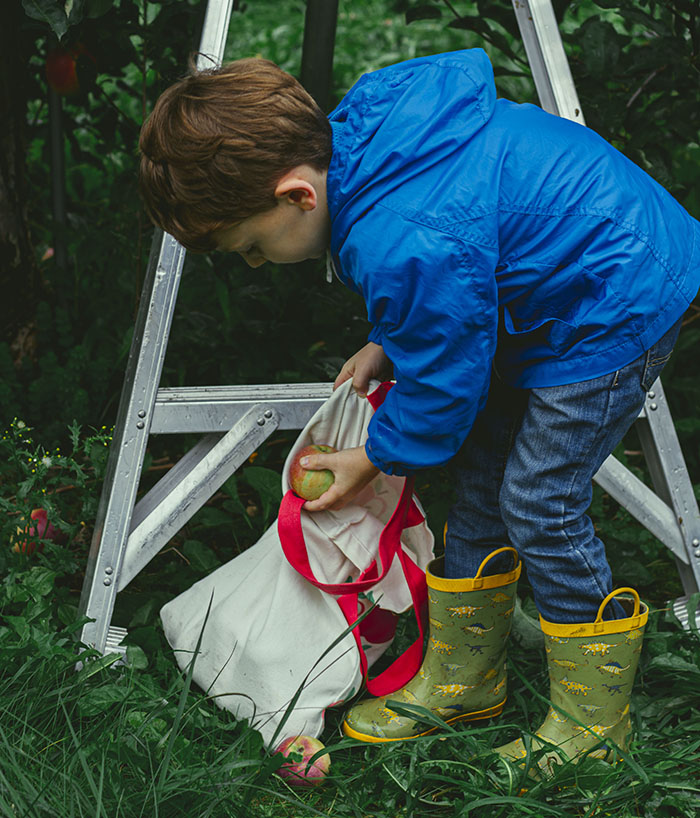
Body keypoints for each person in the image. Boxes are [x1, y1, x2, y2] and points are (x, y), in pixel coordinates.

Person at [139, 49, 700, 772]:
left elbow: (444, 381)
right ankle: (466, 677)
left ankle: (594, 724)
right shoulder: (369, 153)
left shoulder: (398, 238)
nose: (257, 263)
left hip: (612, 302)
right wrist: (389, 340)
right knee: (482, 477)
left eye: (252, 248)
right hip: (557, 293)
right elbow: (452, 279)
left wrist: (370, 456)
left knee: (540, 500)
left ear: (297, 197)